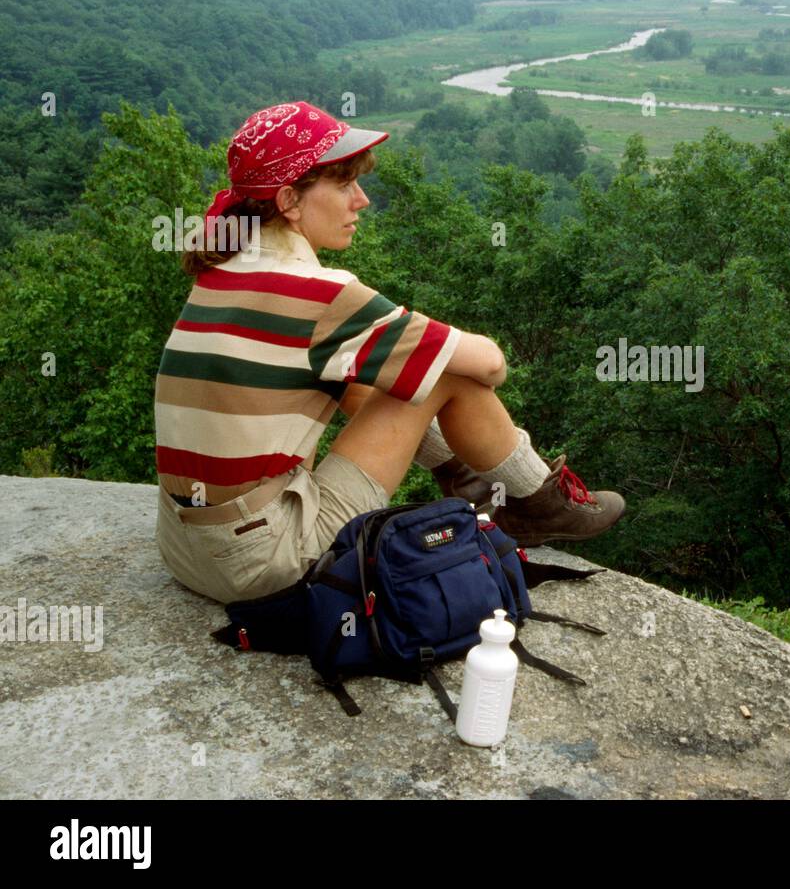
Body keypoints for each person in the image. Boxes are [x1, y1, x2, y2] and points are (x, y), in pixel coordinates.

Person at [154, 101, 624, 605]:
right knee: (447, 370)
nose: (362, 200)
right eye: (344, 184)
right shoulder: (320, 293)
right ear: (290, 199)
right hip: (265, 562)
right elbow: (490, 364)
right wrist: (468, 348)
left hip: (185, 550)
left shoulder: (220, 271)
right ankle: (535, 501)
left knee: (369, 368)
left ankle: (475, 484)